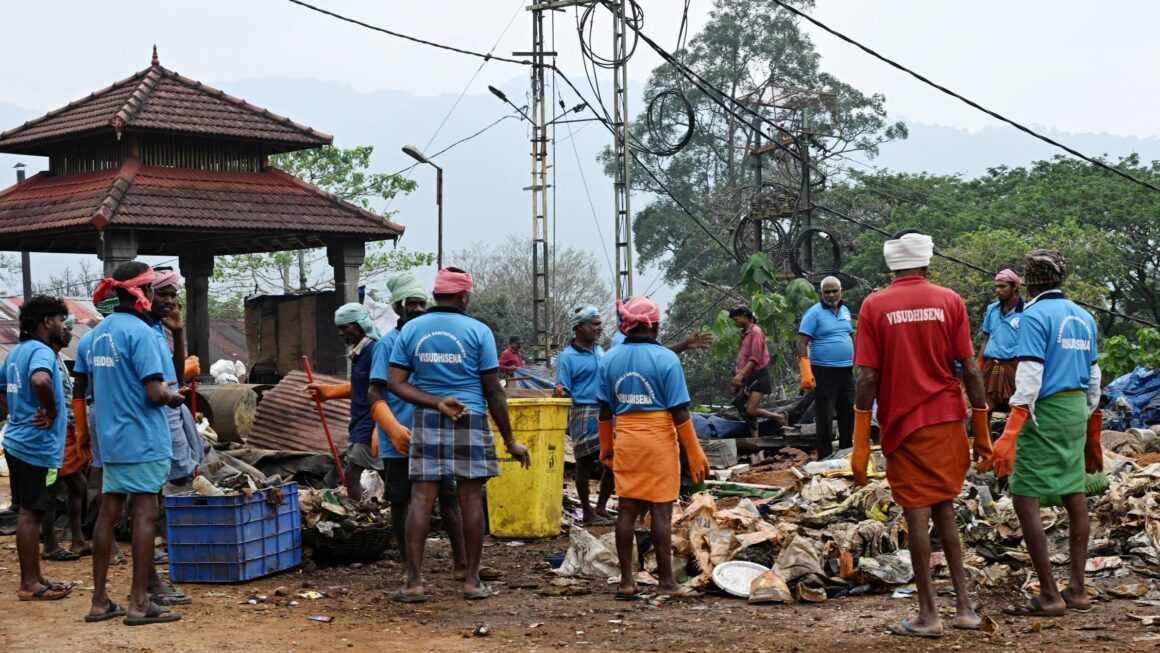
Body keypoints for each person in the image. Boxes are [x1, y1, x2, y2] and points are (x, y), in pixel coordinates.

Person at [851, 233, 991, 638]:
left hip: (904, 424)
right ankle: (964, 609)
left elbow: (867, 377)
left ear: (892, 266)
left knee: (916, 515)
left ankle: (928, 615)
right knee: (945, 507)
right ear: (927, 263)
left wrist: (860, 440)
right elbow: (971, 369)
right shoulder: (950, 300)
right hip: (948, 419)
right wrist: (982, 429)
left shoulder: (874, 305)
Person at [387, 267, 531, 602]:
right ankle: (472, 581)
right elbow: (493, 390)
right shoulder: (479, 331)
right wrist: (510, 440)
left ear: (436, 294)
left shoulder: (411, 330)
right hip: (470, 416)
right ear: (464, 296)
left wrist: (436, 402)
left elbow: (395, 383)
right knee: (470, 499)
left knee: (421, 499)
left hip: (428, 417)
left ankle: (414, 583)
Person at [981, 250, 1101, 618]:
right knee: (1074, 491)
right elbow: (1094, 377)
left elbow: (1031, 375)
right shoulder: (1084, 317)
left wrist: (1010, 434)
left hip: (1043, 412)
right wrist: (1089, 429)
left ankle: (1050, 594)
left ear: (1029, 282)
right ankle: (1077, 589)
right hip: (1075, 410)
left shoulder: (1033, 316)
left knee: (1024, 495)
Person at [86, 261, 185, 625]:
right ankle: (140, 602)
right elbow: (156, 393)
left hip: (111, 438)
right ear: (144, 291)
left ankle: (100, 601)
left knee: (108, 514)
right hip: (142, 437)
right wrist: (174, 397)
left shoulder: (100, 332)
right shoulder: (142, 333)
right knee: (145, 512)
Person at [597, 296, 709, 601]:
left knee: (626, 509)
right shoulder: (666, 359)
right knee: (661, 511)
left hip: (626, 439)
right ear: (655, 326)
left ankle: (626, 582)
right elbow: (680, 412)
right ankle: (667, 583)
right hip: (659, 441)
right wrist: (695, 452)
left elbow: (604, 411)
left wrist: (606, 446)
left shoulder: (609, 358)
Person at [369, 271, 467, 579]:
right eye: (410, 304)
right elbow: (374, 391)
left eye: (421, 303)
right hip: (401, 434)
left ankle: (462, 564)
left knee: (448, 495)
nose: (417, 309)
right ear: (397, 307)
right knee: (402, 501)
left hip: (434, 431)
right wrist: (390, 427)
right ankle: (410, 567)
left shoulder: (428, 341)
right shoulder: (388, 344)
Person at [0, 294, 73, 601]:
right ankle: (29, 583)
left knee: (31, 509)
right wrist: (51, 412)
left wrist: (18, 413)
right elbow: (41, 381)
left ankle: (37, 576)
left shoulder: (15, 353)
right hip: (35, 446)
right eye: (59, 320)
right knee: (30, 514)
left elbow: (2, 389)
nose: (62, 327)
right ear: (46, 322)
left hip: (17, 441)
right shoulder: (42, 352)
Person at [304, 302, 384, 501]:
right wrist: (328, 392)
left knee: (352, 473)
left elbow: (384, 390)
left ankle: (358, 510)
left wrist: (380, 427)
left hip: (370, 423)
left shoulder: (374, 350)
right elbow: (361, 387)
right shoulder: (360, 352)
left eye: (344, 328)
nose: (341, 333)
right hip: (361, 422)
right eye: (338, 328)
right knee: (384, 472)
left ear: (359, 325)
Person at [72, 298, 126, 567]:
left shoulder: (88, 340)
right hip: (125, 412)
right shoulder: (134, 333)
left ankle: (111, 540)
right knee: (122, 475)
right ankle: (115, 539)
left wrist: (82, 428)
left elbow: (79, 387)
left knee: (102, 473)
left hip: (98, 411)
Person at [555, 305, 614, 525]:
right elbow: (562, 387)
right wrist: (560, 392)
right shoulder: (567, 357)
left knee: (612, 460)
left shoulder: (600, 351)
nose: (599, 328)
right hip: (582, 410)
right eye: (595, 324)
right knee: (584, 462)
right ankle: (588, 512)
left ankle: (601, 507)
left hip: (605, 409)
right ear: (580, 327)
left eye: (599, 323)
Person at [41, 314, 92, 562]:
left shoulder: (56, 358)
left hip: (66, 429)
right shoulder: (45, 358)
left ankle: (75, 539)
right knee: (55, 487)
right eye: (66, 328)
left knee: (74, 485)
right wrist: (49, 414)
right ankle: (52, 543)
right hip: (57, 432)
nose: (69, 332)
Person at [797, 276, 856, 459]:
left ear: (841, 291)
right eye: (827, 292)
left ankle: (846, 451)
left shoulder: (845, 311)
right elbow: (801, 342)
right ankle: (824, 456)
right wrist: (806, 371)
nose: (831, 295)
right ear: (821, 293)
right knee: (825, 414)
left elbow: (849, 335)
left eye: (834, 291)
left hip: (846, 370)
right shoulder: (814, 313)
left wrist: (857, 358)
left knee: (848, 412)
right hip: (824, 370)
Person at [729, 306, 786, 438]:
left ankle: (779, 417)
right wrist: (738, 377)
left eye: (736, 319)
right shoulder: (744, 333)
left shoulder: (755, 331)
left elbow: (755, 358)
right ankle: (755, 439)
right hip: (747, 376)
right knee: (744, 410)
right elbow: (742, 358)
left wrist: (740, 375)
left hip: (759, 375)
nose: (735, 323)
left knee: (751, 409)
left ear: (744, 317)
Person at [977, 269, 1024, 415]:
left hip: (1013, 366)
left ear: (1014, 287)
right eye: (997, 286)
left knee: (1016, 405)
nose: (998, 290)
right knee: (984, 405)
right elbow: (987, 339)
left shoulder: (1026, 311)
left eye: (1002, 286)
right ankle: (984, 431)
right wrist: (980, 362)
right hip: (992, 364)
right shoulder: (992, 309)